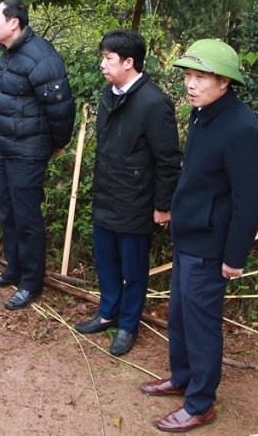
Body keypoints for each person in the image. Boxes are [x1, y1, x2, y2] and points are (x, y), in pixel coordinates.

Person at [139, 39, 258, 433]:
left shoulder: (241, 128)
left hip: (212, 245)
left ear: (225, 81)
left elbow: (249, 200)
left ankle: (200, 404)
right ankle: (182, 378)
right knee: (178, 316)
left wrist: (235, 257)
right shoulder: (201, 114)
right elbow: (196, 177)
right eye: (188, 76)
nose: (190, 85)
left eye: (200, 77)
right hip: (188, 234)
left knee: (202, 324)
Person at [73, 30, 181, 356]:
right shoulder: (110, 95)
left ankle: (128, 325)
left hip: (136, 201)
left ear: (129, 62)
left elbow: (168, 160)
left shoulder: (154, 102)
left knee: (133, 270)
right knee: (105, 262)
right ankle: (107, 313)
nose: (102, 64)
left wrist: (163, 205)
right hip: (107, 196)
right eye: (103, 57)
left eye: (108, 58)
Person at [0, 0, 75, 310]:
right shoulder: (10, 54)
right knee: (8, 211)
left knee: (27, 217)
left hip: (28, 151)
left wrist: (58, 142)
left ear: (14, 23)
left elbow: (60, 107)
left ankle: (31, 282)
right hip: (6, 147)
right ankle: (14, 269)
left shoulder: (41, 56)